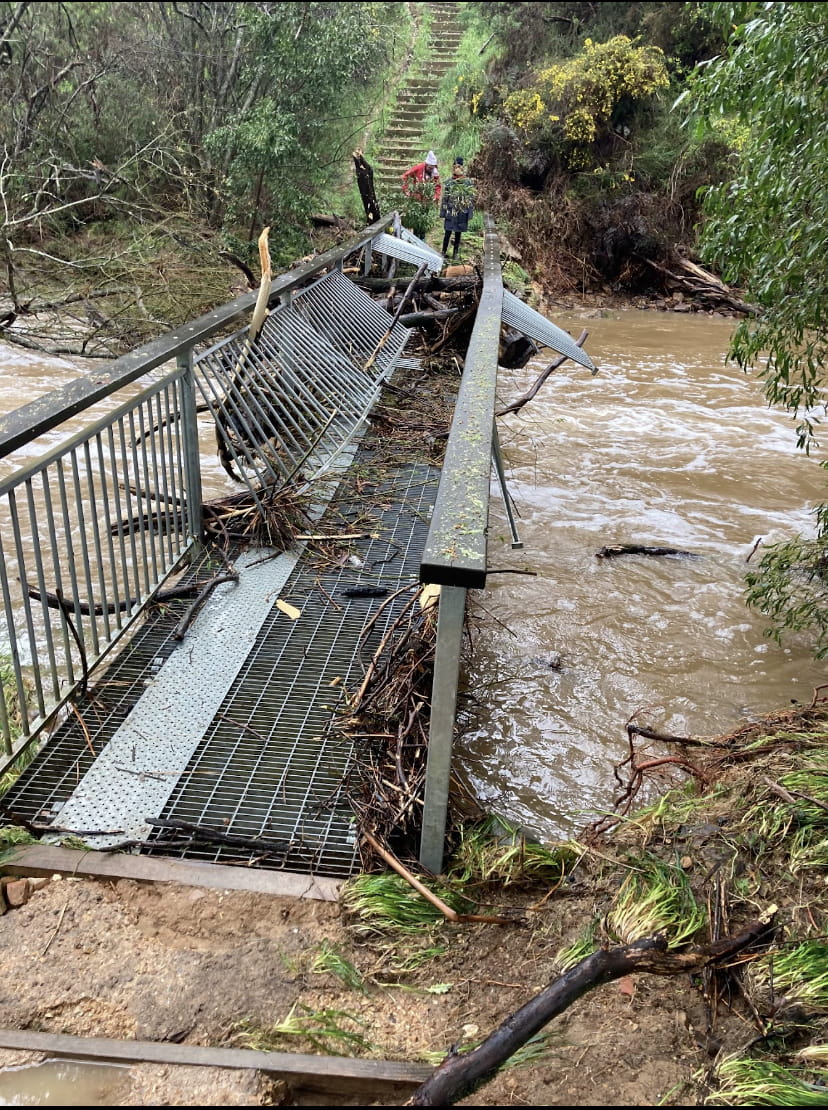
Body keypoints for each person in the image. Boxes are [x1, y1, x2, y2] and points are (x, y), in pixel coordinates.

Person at [440, 157, 475, 260]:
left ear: (462, 168)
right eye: (455, 167)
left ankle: (455, 253)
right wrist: (443, 212)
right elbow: (445, 198)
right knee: (447, 232)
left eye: (458, 167)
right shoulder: (449, 182)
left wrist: (469, 213)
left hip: (461, 212)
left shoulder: (467, 182)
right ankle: (443, 251)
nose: (456, 169)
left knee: (458, 233)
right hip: (450, 211)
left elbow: (470, 198)